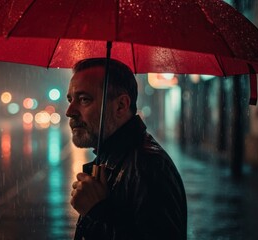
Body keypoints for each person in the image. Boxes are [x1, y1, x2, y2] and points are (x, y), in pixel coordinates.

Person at [66, 58, 187, 239]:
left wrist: (98, 211)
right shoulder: (113, 157)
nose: (70, 111)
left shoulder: (148, 167)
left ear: (121, 105)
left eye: (84, 99)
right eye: (70, 99)